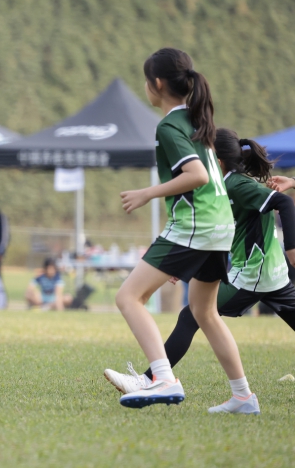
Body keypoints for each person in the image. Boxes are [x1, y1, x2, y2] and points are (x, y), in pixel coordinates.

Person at [109, 48, 256, 414]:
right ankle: (243, 396)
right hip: (219, 226)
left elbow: (198, 175)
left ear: (157, 84)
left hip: (196, 227)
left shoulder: (170, 125)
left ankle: (163, 378)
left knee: (128, 298)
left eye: (146, 81)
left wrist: (147, 193)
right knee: (205, 312)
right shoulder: (198, 120)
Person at [105, 129, 295, 398]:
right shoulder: (226, 186)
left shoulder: (237, 185)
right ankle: (240, 398)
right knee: (198, 313)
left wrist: (292, 249)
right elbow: (216, 231)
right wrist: (182, 263)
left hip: (253, 275)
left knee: (192, 315)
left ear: (217, 161)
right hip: (272, 275)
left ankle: (150, 380)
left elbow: (284, 204)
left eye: (201, 155)